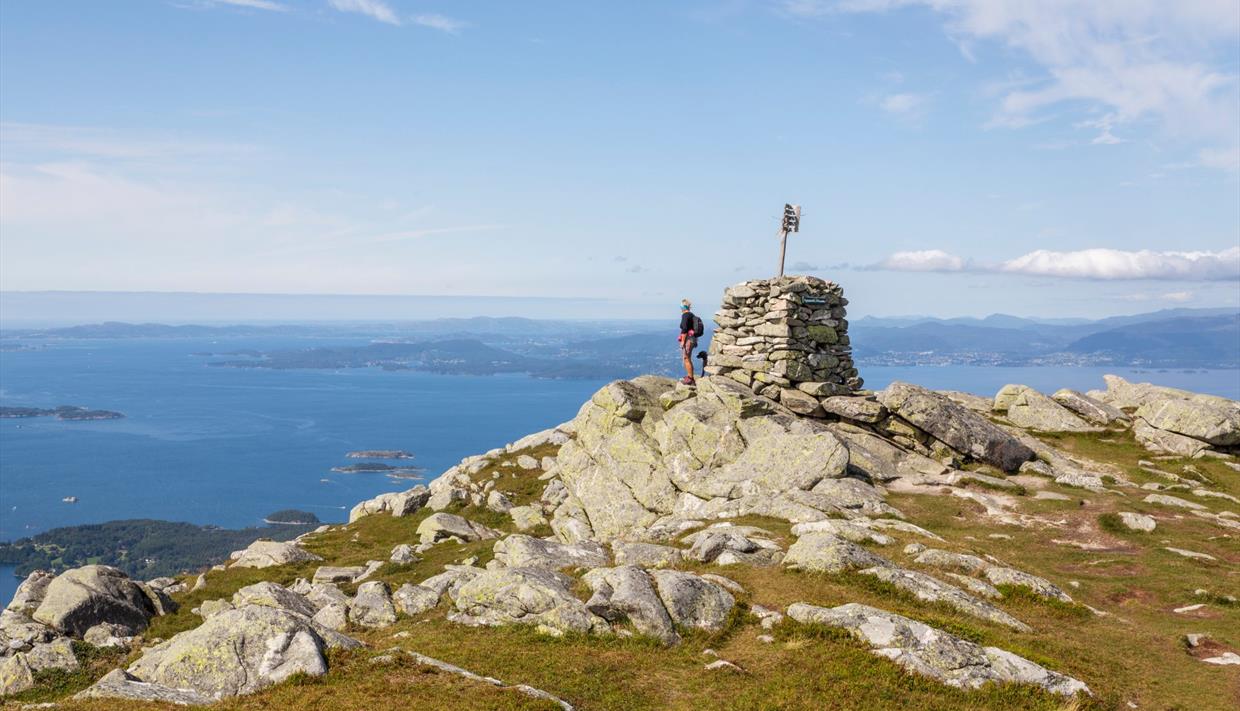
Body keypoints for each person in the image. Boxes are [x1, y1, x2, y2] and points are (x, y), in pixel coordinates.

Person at [678, 299, 699, 385]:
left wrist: (682, 341)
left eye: (681, 306)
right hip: (693, 339)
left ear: (683, 307)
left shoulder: (685, 315)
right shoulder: (691, 315)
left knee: (686, 358)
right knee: (688, 358)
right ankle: (690, 377)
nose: (680, 308)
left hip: (688, 340)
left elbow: (684, 329)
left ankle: (690, 378)